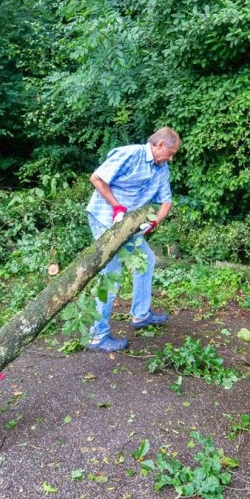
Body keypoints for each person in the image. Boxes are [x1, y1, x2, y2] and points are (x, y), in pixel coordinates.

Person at [85, 126, 181, 352]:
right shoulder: (130, 154)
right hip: (105, 219)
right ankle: (97, 335)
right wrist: (116, 205)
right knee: (111, 275)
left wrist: (154, 222)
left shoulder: (162, 168)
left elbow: (166, 202)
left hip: (130, 226)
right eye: (170, 152)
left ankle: (140, 314)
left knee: (146, 260)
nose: (171, 158)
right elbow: (97, 178)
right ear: (159, 145)